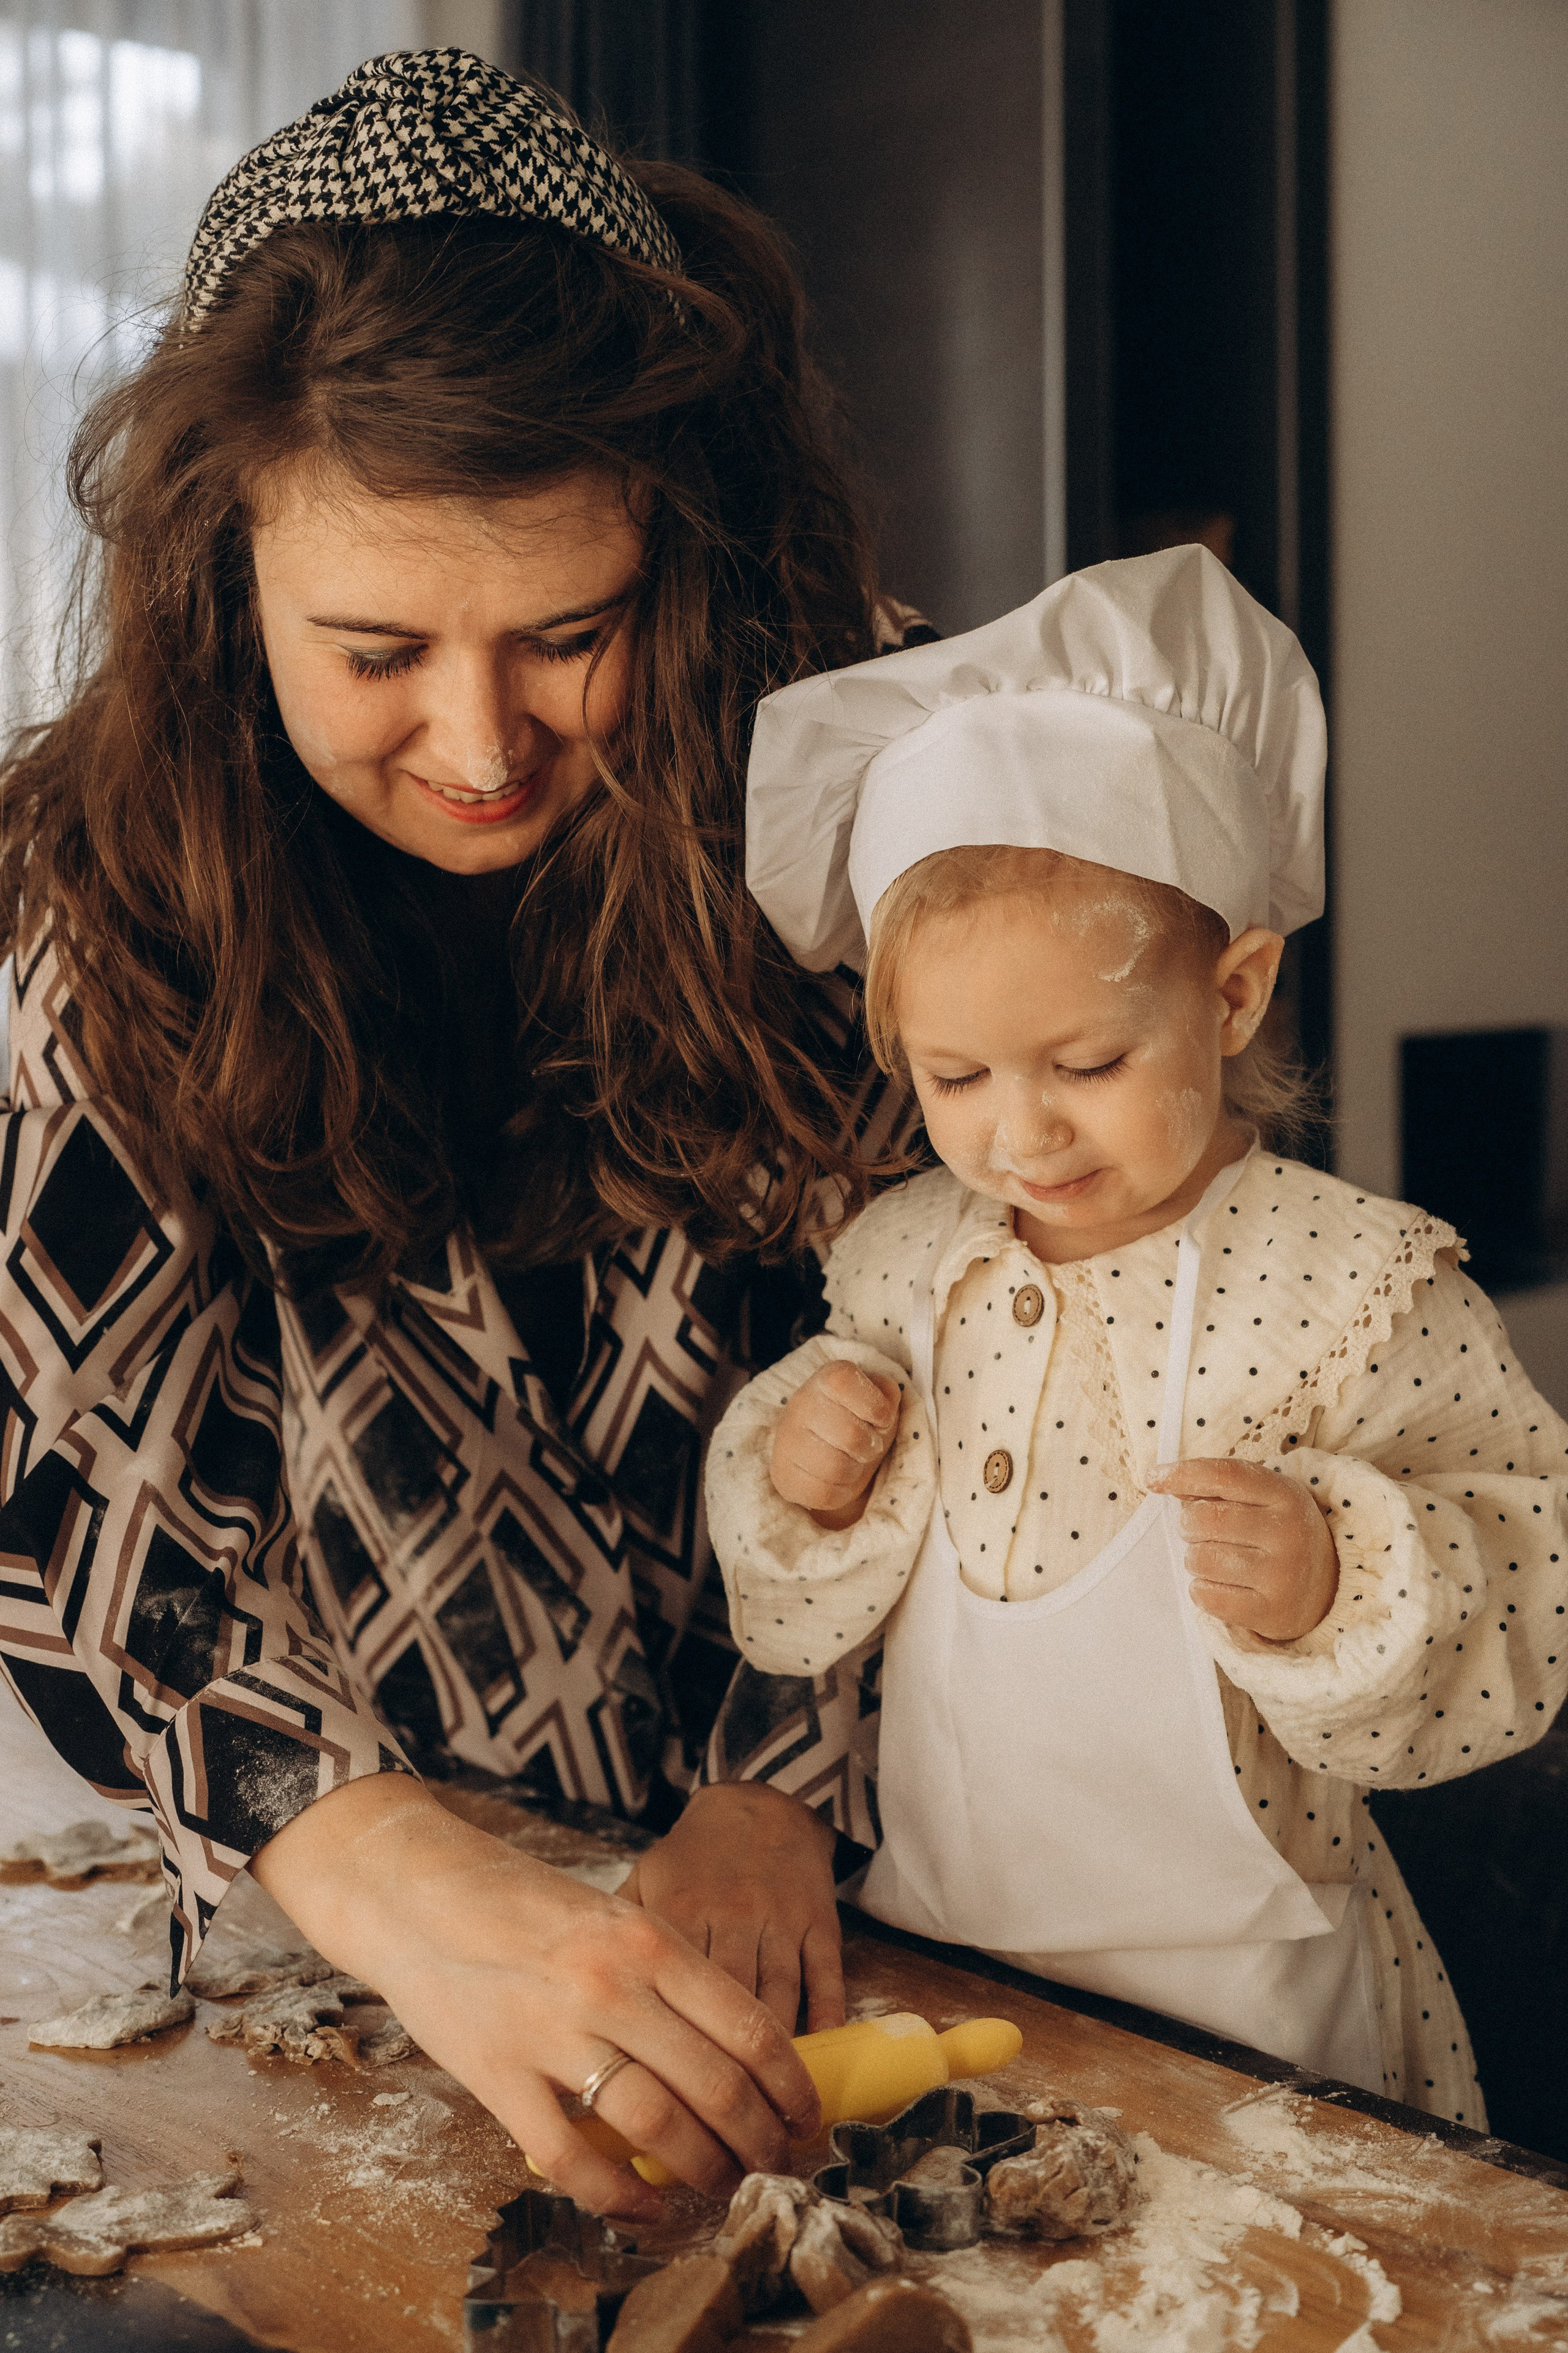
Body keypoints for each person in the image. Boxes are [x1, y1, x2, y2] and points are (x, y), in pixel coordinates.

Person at [0, 50, 925, 2215]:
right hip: (338, 1873)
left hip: (857, 1836)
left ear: (679, 567)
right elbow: (52, 1473)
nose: (483, 744)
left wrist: (780, 1779)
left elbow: (959, 1327)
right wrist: (397, 1872)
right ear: (224, 586)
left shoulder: (866, 774)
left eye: (572, 636)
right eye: (378, 650)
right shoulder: (93, 877)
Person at [699, 545, 1568, 2126]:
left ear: (1232, 996)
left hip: (1263, 2028)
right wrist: (803, 1482)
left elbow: (1533, 1564)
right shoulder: (900, 1264)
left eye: (1087, 1059)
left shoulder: (1350, 1281)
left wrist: (1339, 1576)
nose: (1018, 1133)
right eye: (954, 1078)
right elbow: (793, 1597)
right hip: (952, 1969)